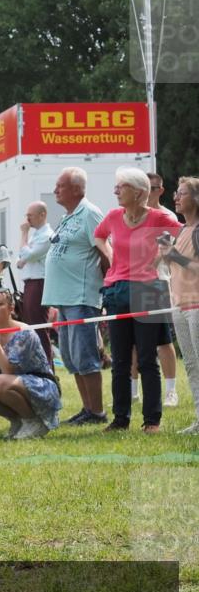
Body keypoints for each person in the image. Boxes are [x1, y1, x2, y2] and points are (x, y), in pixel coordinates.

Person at [95, 167, 181, 433]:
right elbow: (98, 235)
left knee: (146, 358)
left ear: (139, 192)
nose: (115, 191)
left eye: (121, 187)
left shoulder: (159, 217)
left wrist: (162, 257)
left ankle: (152, 420)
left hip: (148, 290)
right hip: (117, 290)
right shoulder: (113, 216)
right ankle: (120, 419)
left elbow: (183, 237)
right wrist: (111, 255)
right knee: (120, 359)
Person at [43, 167, 108, 425]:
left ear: (77, 189)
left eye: (60, 186)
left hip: (81, 297)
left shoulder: (90, 213)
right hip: (65, 299)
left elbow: (105, 251)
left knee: (86, 356)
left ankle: (97, 412)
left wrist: (105, 287)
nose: (55, 190)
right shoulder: (68, 216)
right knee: (71, 358)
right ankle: (87, 408)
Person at [0, 289, 61, 439]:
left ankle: (34, 422)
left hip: (42, 385)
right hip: (12, 384)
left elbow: (7, 370)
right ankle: (18, 420)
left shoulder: (23, 332)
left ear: (11, 309)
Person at [159, 176, 199, 433]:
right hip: (180, 307)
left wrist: (174, 256)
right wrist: (165, 256)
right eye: (176, 193)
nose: (176, 197)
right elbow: (169, 271)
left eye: (182, 193)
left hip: (196, 306)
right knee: (192, 365)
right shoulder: (182, 231)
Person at [136, 172, 179, 406]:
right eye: (143, 187)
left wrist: (143, 267)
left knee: (162, 339)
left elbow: (164, 252)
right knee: (133, 341)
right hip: (134, 282)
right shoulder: (133, 215)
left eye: (152, 188)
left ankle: (171, 390)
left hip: (157, 282)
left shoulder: (165, 216)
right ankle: (133, 392)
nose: (147, 192)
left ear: (160, 191)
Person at [16, 201, 55, 364]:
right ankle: (39, 363)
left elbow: (28, 255)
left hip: (39, 282)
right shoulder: (38, 234)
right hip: (31, 282)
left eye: (30, 215)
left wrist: (23, 234)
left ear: (42, 215)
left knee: (38, 326)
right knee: (31, 324)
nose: (27, 219)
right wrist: (25, 257)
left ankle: (47, 366)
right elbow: (23, 255)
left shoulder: (47, 235)